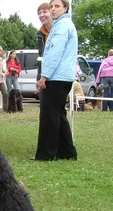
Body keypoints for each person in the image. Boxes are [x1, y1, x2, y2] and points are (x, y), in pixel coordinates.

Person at [35, 0, 78, 161]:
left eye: (56, 6)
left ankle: (47, 154)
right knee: (59, 114)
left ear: (65, 8)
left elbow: (55, 53)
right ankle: (67, 152)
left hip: (56, 77)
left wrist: (44, 76)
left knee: (49, 116)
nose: (53, 9)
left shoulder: (62, 26)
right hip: (63, 76)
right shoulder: (64, 25)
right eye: (51, 6)